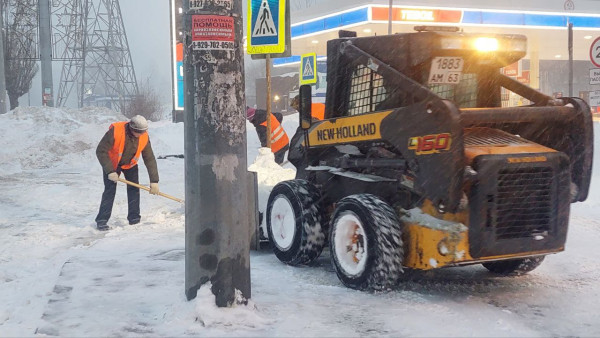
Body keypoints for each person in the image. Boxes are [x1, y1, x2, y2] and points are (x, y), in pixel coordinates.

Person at [94, 115, 160, 231]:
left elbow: (149, 158)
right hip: (112, 165)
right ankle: (102, 220)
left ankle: (134, 218)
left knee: (134, 189)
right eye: (138, 132)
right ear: (132, 128)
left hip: (130, 165)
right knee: (110, 191)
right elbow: (101, 150)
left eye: (143, 132)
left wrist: (154, 181)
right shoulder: (116, 131)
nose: (141, 134)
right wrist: (110, 171)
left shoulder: (144, 137)